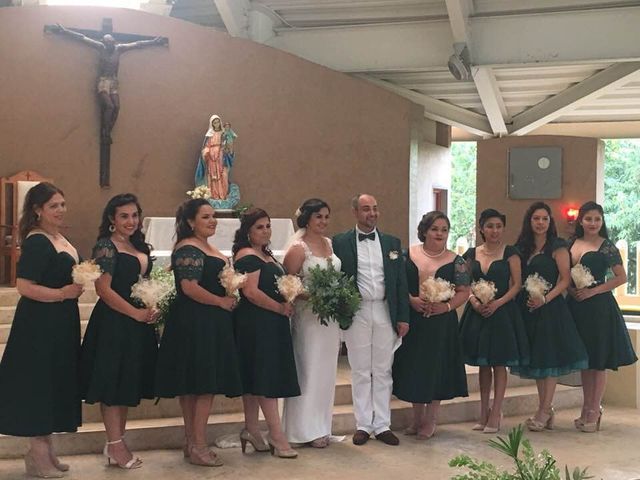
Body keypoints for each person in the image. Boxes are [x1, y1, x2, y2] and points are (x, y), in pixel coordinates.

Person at [0, 183, 83, 478]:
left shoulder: (60, 238)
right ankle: (37, 453)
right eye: (53, 206)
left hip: (61, 321)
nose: (61, 210)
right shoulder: (37, 241)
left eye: (62, 204)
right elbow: (24, 286)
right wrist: (63, 293)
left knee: (52, 382)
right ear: (37, 211)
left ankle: (46, 449)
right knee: (38, 384)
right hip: (39, 323)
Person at [155, 199, 242, 466]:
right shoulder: (188, 247)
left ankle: (192, 441)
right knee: (201, 385)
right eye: (206, 217)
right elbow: (189, 287)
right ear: (191, 222)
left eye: (213, 216)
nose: (213, 220)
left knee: (197, 385)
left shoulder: (208, 247)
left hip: (210, 322)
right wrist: (220, 301)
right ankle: (199, 445)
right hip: (195, 322)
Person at [80, 194, 158, 469]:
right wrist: (135, 312)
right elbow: (103, 289)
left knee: (126, 383)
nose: (131, 221)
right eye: (124, 216)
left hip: (137, 323)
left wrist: (152, 304)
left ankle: (117, 442)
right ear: (112, 219)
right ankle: (115, 445)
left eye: (135, 215)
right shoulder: (106, 246)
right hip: (115, 321)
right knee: (113, 384)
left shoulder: (137, 245)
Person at [332, 194, 409, 446]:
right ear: (355, 212)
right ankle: (363, 424)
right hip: (358, 310)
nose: (372, 213)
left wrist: (403, 317)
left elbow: (400, 282)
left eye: (375, 209)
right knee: (361, 369)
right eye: (366, 209)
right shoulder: (340, 242)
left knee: (384, 369)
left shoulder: (392, 242)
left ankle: (383, 424)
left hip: (386, 309)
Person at [392, 211, 469, 439]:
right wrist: (411, 300)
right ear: (424, 231)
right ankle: (417, 418)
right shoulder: (408, 254)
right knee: (416, 366)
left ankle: (431, 418)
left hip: (441, 322)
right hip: (414, 319)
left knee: (436, 367)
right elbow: (397, 283)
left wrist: (445, 307)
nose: (440, 234)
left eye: (444, 230)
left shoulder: (457, 261)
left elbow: (464, 291)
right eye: (435, 229)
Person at [512, 202, 588, 432]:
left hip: (551, 309)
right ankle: (547, 408)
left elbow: (564, 279)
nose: (540, 223)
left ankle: (543, 411)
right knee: (538, 361)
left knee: (550, 360)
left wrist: (545, 299)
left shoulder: (558, 246)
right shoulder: (522, 248)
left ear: (550, 222)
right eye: (536, 218)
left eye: (545, 219)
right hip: (528, 309)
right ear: (529, 221)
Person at [232, 208, 300, 459]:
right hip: (257, 322)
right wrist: (280, 307)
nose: (266, 231)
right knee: (264, 378)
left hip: (271, 321)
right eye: (259, 226)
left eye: (268, 226)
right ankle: (277, 435)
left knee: (253, 378)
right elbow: (249, 292)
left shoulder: (265, 254)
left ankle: (251, 429)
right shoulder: (247, 255)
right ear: (247, 230)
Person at [567, 201, 637, 432]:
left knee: (598, 361)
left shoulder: (606, 246)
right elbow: (564, 275)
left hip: (599, 307)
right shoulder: (571, 244)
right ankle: (586, 407)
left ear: (602, 221)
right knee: (585, 361)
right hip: (576, 306)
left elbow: (621, 277)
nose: (593, 223)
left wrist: (593, 291)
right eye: (588, 219)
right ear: (580, 221)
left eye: (597, 219)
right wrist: (572, 291)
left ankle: (594, 410)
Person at [458, 209, 529, 433]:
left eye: (498, 226)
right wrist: (474, 301)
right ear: (481, 228)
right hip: (477, 312)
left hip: (502, 313)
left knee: (499, 363)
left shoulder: (511, 253)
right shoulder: (471, 253)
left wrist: (497, 303)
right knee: (483, 364)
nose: (494, 230)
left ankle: (496, 412)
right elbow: (465, 284)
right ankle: (483, 411)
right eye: (490, 226)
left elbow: (517, 285)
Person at [282, 199, 341, 448]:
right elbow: (288, 283)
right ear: (306, 218)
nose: (324, 221)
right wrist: (314, 296)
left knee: (326, 372)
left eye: (326, 216)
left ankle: (320, 427)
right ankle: (300, 430)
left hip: (330, 319)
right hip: (308, 316)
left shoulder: (329, 243)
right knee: (308, 369)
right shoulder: (298, 248)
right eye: (318, 216)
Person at [50, 24, 167, 143]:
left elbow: (137, 44)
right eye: (107, 41)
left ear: (114, 41)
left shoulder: (119, 48)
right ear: (104, 42)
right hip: (103, 81)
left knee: (117, 107)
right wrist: (65, 31)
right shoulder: (100, 47)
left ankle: (108, 131)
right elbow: (82, 38)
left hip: (113, 82)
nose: (109, 43)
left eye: (111, 41)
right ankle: (105, 132)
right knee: (109, 106)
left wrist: (153, 42)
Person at [194, 115, 228, 200]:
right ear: (212, 124)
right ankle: (213, 194)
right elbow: (206, 146)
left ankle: (222, 194)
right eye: (214, 123)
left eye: (218, 122)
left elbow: (226, 144)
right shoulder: (209, 134)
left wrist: (224, 148)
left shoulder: (223, 133)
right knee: (212, 174)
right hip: (211, 156)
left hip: (220, 155)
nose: (216, 124)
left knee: (220, 173)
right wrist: (206, 152)